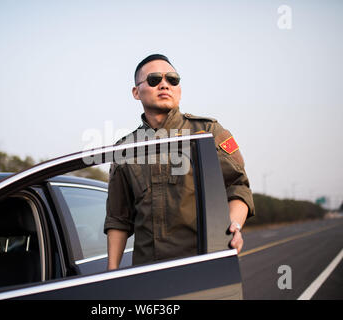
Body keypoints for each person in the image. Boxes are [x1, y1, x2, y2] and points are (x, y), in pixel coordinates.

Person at [104, 54, 254, 270]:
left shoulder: (207, 132)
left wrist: (235, 226)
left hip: (206, 266)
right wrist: (112, 273)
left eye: (172, 79)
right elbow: (118, 218)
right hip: (147, 276)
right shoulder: (126, 149)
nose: (165, 84)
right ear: (136, 92)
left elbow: (238, 186)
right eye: (154, 79)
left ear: (179, 89)